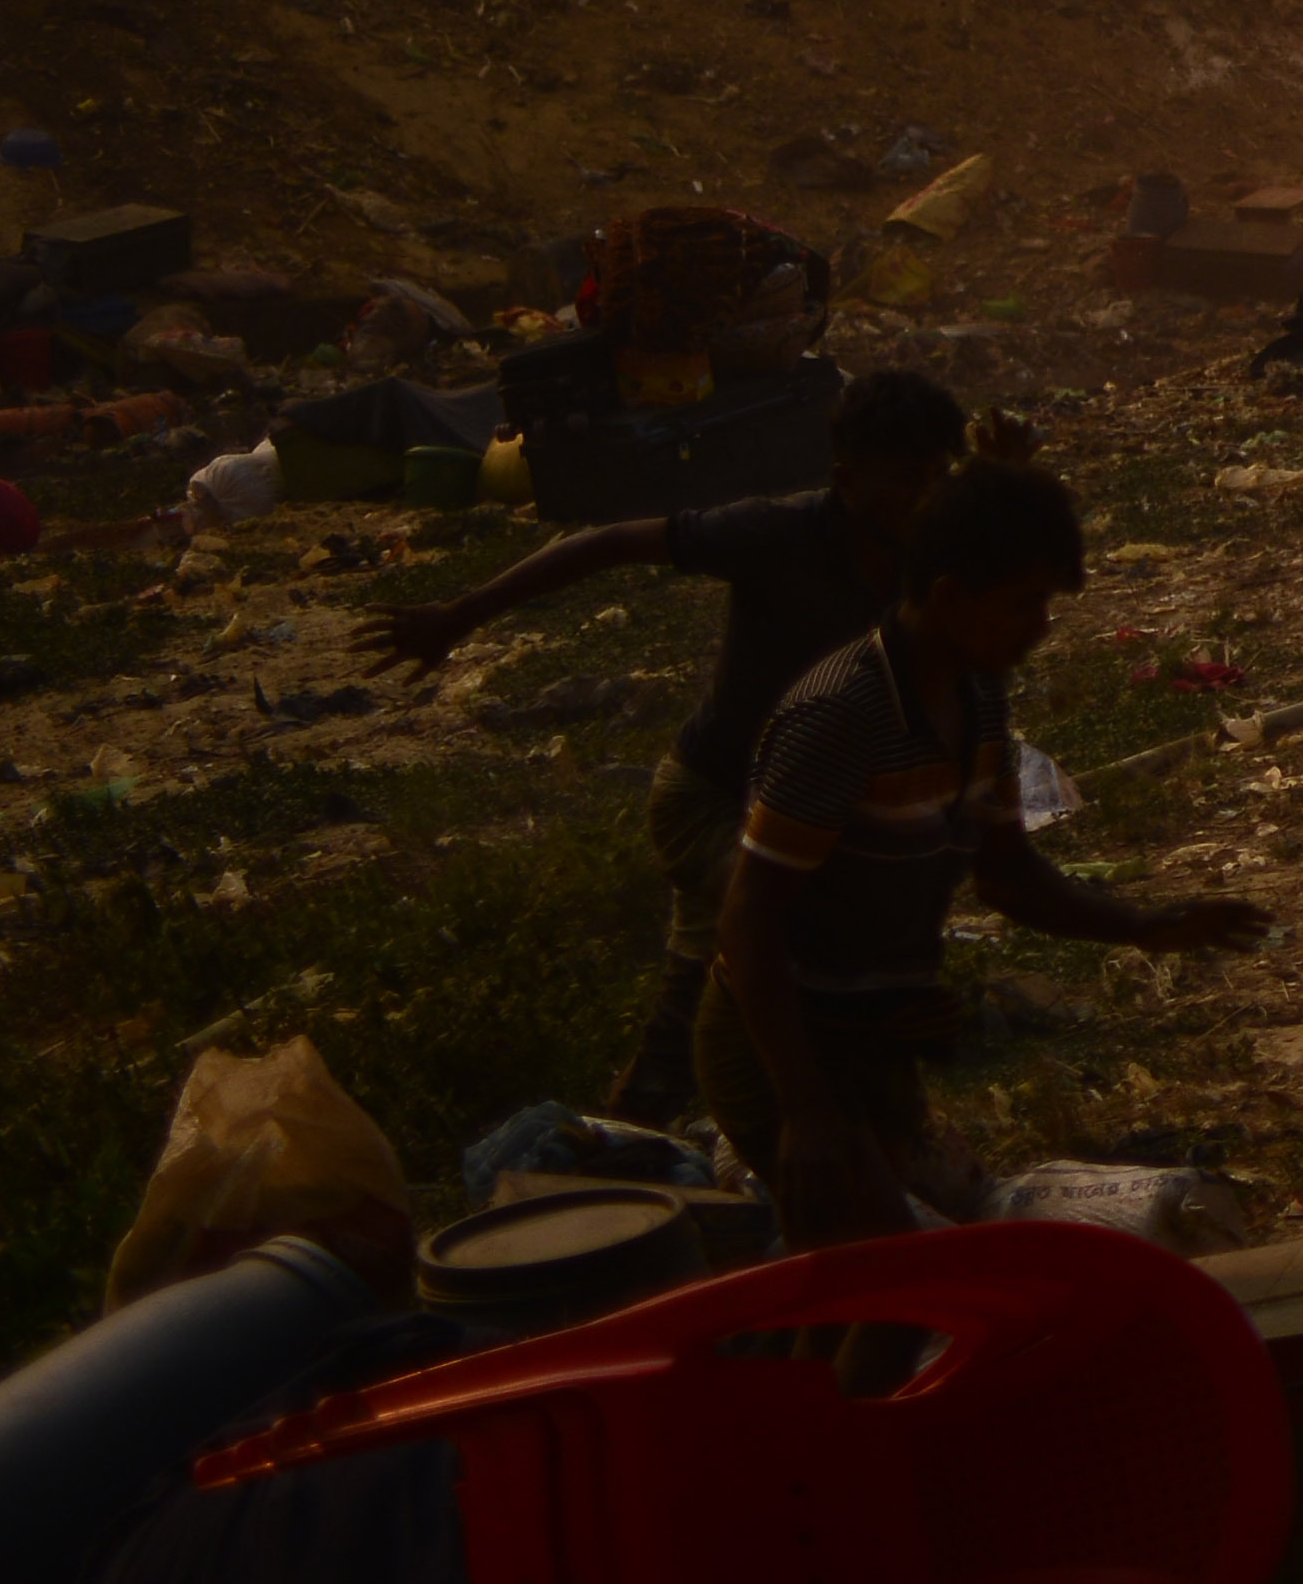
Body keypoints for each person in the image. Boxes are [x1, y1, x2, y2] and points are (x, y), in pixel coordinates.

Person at [377, 367, 983, 1120]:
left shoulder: (934, 566)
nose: (925, 498)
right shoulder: (778, 532)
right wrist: (462, 613)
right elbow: (611, 544)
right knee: (776, 924)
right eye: (904, 479)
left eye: (938, 476)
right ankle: (792, 1111)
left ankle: (655, 1122)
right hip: (711, 797)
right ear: (845, 477)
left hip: (812, 810)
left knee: (709, 980)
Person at [714, 462, 1270, 1241]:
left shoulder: (976, 699)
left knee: (866, 1293)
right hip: (781, 1049)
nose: (1041, 625)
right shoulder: (840, 717)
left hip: (872, 1037)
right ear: (948, 598)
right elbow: (748, 922)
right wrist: (805, 1111)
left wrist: (1146, 924)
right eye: (1025, 603)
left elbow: (1009, 877)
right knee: (893, 1286)